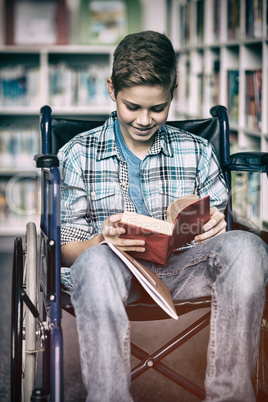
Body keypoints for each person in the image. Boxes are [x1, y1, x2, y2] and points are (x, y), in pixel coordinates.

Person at [58, 31, 268, 402]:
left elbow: (219, 226)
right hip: (111, 275)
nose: (144, 120)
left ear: (173, 91)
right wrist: (102, 240)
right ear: (111, 90)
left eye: (158, 108)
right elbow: (66, 248)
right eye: (132, 106)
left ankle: (231, 396)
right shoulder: (78, 154)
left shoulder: (197, 150)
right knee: (92, 262)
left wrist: (218, 223)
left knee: (249, 247)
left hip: (182, 271)